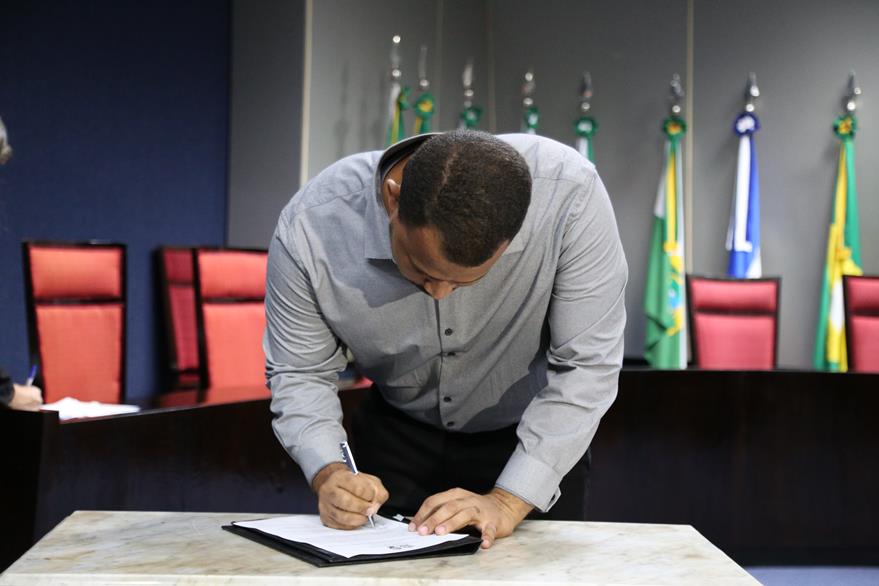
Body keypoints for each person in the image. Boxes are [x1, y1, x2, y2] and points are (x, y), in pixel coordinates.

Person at [265, 130, 627, 549]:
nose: (438, 293)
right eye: (421, 269)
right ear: (393, 200)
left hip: (531, 438)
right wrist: (329, 472)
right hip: (395, 439)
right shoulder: (311, 226)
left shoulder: (570, 197)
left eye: (467, 282)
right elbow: (300, 371)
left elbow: (587, 366)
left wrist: (507, 503)